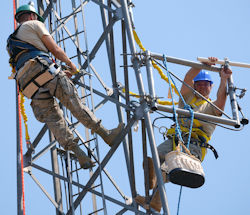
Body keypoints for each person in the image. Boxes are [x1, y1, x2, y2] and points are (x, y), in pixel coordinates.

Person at [7, 3, 124, 169]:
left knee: (54, 120)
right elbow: (54, 49)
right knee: (73, 102)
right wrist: (70, 64)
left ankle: (78, 153)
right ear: (33, 16)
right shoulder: (35, 25)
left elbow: (26, 60)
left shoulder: (10, 41)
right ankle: (106, 134)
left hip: (28, 85)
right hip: (44, 70)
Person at [135, 57, 232, 212]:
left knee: (168, 170)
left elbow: (222, 99)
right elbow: (188, 78)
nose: (202, 87)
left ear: (211, 87)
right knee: (152, 161)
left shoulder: (212, 107)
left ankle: (155, 199)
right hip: (176, 139)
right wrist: (202, 66)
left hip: (194, 146)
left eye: (205, 85)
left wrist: (224, 79)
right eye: (199, 84)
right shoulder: (186, 99)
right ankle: (155, 200)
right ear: (194, 86)